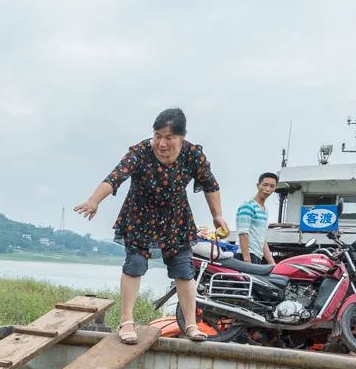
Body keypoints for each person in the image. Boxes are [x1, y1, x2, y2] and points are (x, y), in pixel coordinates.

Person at [74, 108, 228, 343]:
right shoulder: (141, 152)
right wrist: (94, 201)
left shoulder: (193, 155)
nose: (162, 143)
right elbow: (115, 177)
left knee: (184, 270)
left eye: (169, 137)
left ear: (182, 136)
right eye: (158, 136)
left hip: (176, 220)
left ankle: (191, 325)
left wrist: (218, 216)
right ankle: (126, 322)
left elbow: (210, 184)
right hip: (140, 217)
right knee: (135, 264)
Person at [235, 172, 278, 264]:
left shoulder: (265, 210)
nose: (268, 189)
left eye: (272, 186)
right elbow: (243, 233)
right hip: (245, 256)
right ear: (258, 186)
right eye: (265, 185)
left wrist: (272, 263)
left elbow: (262, 239)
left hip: (257, 256)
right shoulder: (248, 206)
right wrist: (247, 260)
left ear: (275, 188)